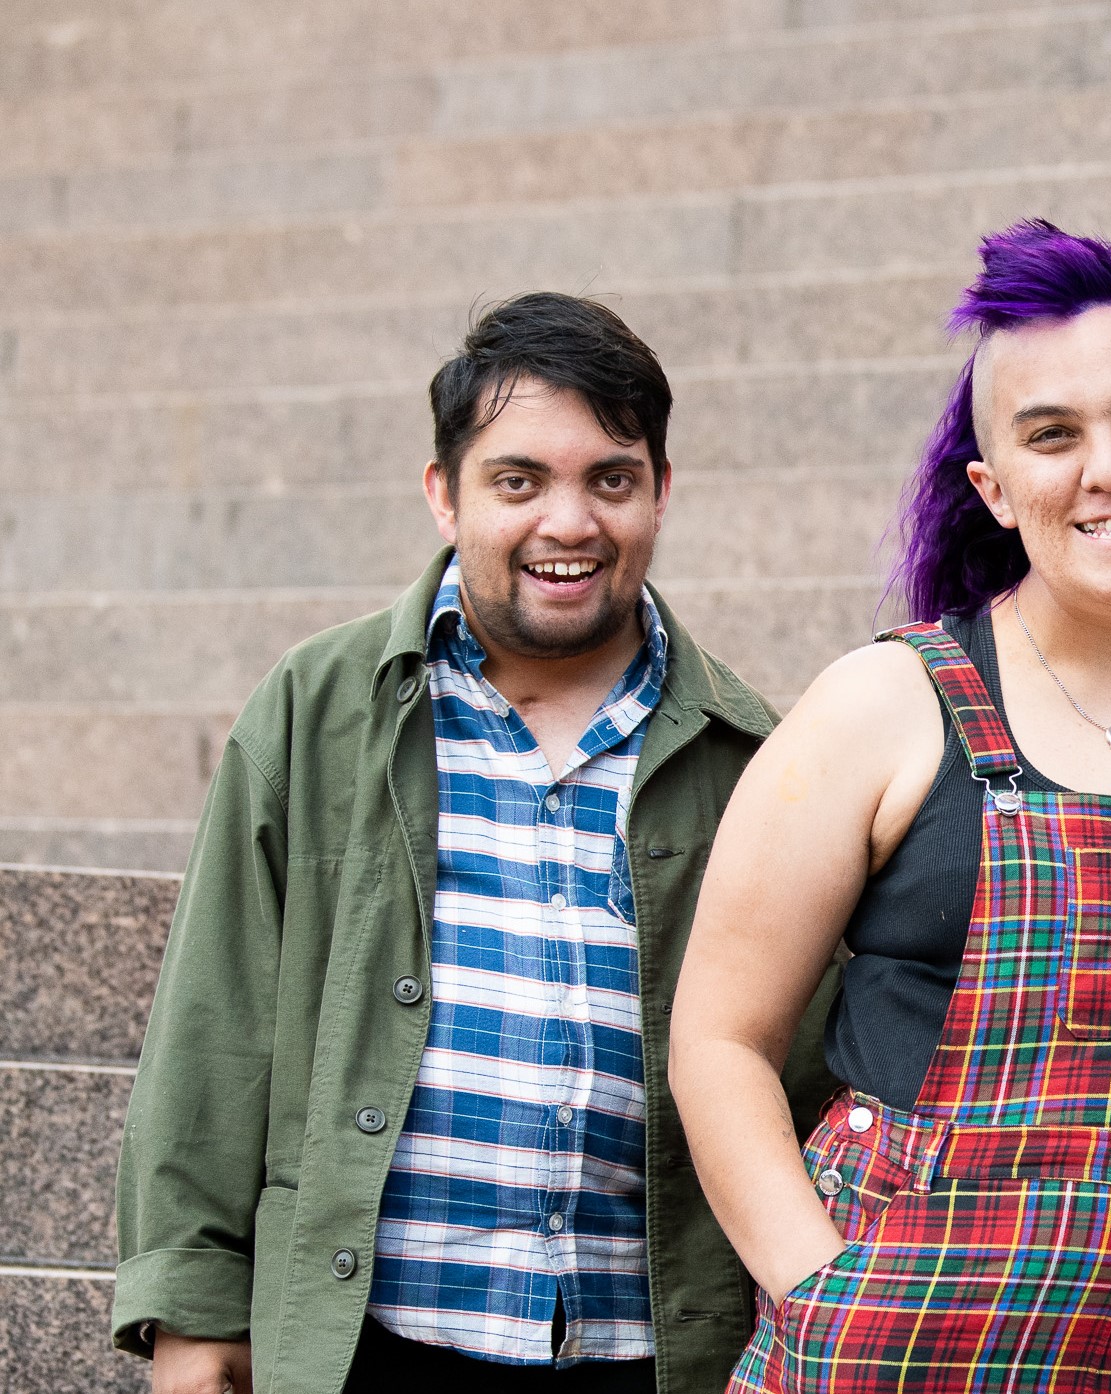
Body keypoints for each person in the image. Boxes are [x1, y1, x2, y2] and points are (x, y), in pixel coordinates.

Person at [670, 220, 1111, 1394]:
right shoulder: (885, 706)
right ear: (994, 487)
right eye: (1052, 436)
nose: (1107, 468)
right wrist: (823, 1298)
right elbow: (719, 1037)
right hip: (893, 1363)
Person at [110, 293, 837, 1393]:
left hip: (644, 1350)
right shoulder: (317, 711)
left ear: (660, 494)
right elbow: (213, 1029)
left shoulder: (753, 756)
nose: (570, 521)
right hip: (373, 1342)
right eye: (519, 479)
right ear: (444, 494)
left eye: (611, 477)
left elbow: (806, 1076)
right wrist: (191, 1312)